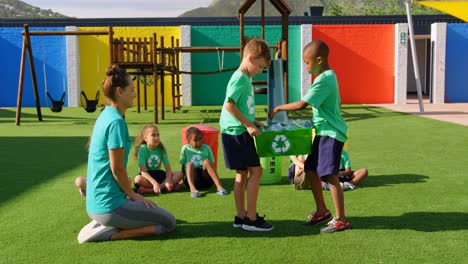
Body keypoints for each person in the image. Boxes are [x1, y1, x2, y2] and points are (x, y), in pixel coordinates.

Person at [77, 65, 176, 243]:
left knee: (150, 211)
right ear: (119, 91)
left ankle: (110, 222)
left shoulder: (106, 114)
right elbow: (117, 170)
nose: (135, 94)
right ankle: (113, 234)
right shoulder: (116, 122)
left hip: (97, 204)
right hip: (108, 207)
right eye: (132, 90)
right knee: (169, 222)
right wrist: (133, 195)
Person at [269, 40, 350, 233]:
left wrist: (279, 107)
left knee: (330, 176)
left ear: (319, 60)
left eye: (307, 62)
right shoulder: (325, 77)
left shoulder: (325, 79)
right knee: (311, 169)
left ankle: (341, 219)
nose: (306, 66)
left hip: (331, 133)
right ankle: (322, 211)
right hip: (322, 132)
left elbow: (301, 105)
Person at [219, 38, 273, 231]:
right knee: (256, 171)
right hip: (237, 132)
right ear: (250, 58)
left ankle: (241, 216)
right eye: (260, 66)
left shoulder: (245, 78)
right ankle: (251, 219)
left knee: (241, 174)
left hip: (234, 131)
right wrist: (248, 125)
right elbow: (229, 105)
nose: (260, 71)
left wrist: (255, 122)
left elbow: (241, 107)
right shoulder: (241, 78)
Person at [133, 124, 183, 195]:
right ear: (145, 138)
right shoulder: (142, 149)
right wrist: (154, 183)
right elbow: (143, 171)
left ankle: (151, 190)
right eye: (153, 135)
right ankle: (163, 187)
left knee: (180, 173)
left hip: (159, 174)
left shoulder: (161, 149)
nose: (156, 137)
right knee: (138, 179)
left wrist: (168, 180)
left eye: (158, 135)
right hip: (147, 176)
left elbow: (168, 170)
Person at [179, 126, 228, 198]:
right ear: (188, 141)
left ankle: (219, 187)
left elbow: (212, 164)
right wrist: (184, 181)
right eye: (195, 140)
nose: (199, 142)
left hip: (205, 179)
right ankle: (193, 190)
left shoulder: (206, 147)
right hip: (193, 178)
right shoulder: (185, 149)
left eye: (200, 138)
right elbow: (183, 165)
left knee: (207, 162)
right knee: (189, 164)